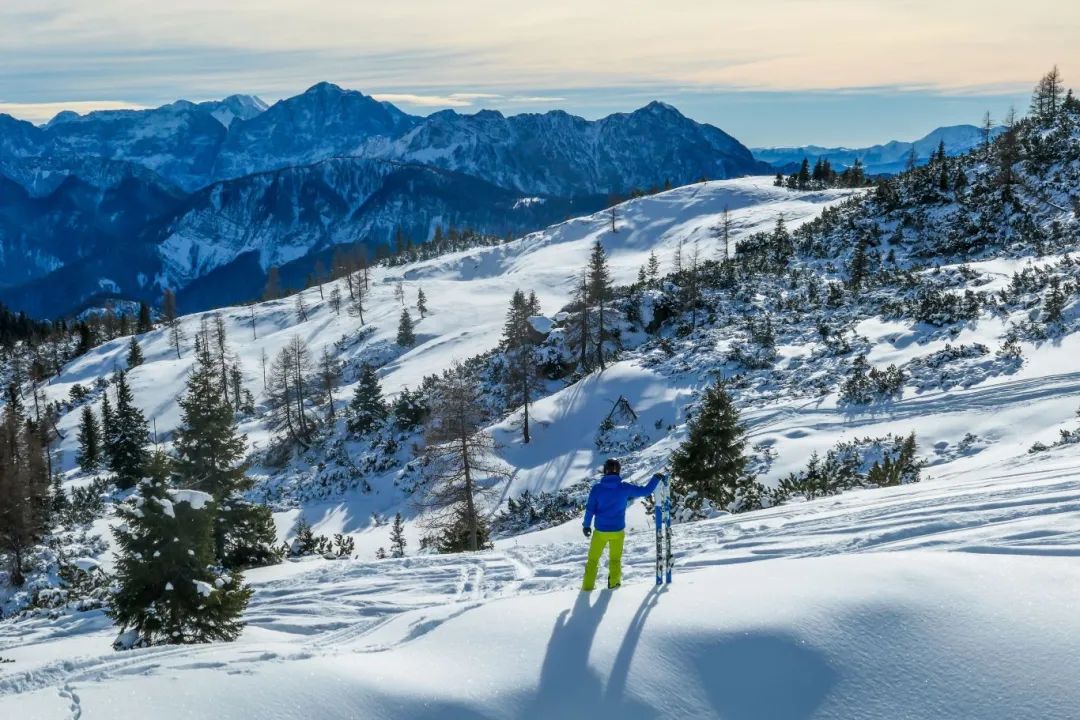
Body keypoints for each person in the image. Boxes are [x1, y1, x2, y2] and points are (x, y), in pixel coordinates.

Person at [581, 459, 664, 591]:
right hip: (617, 531)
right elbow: (646, 491)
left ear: (605, 471)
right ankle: (614, 584)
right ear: (618, 471)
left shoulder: (597, 489)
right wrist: (655, 478)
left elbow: (590, 509)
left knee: (593, 560)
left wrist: (586, 526)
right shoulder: (625, 488)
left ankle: (587, 588)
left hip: (600, 531)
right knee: (615, 559)